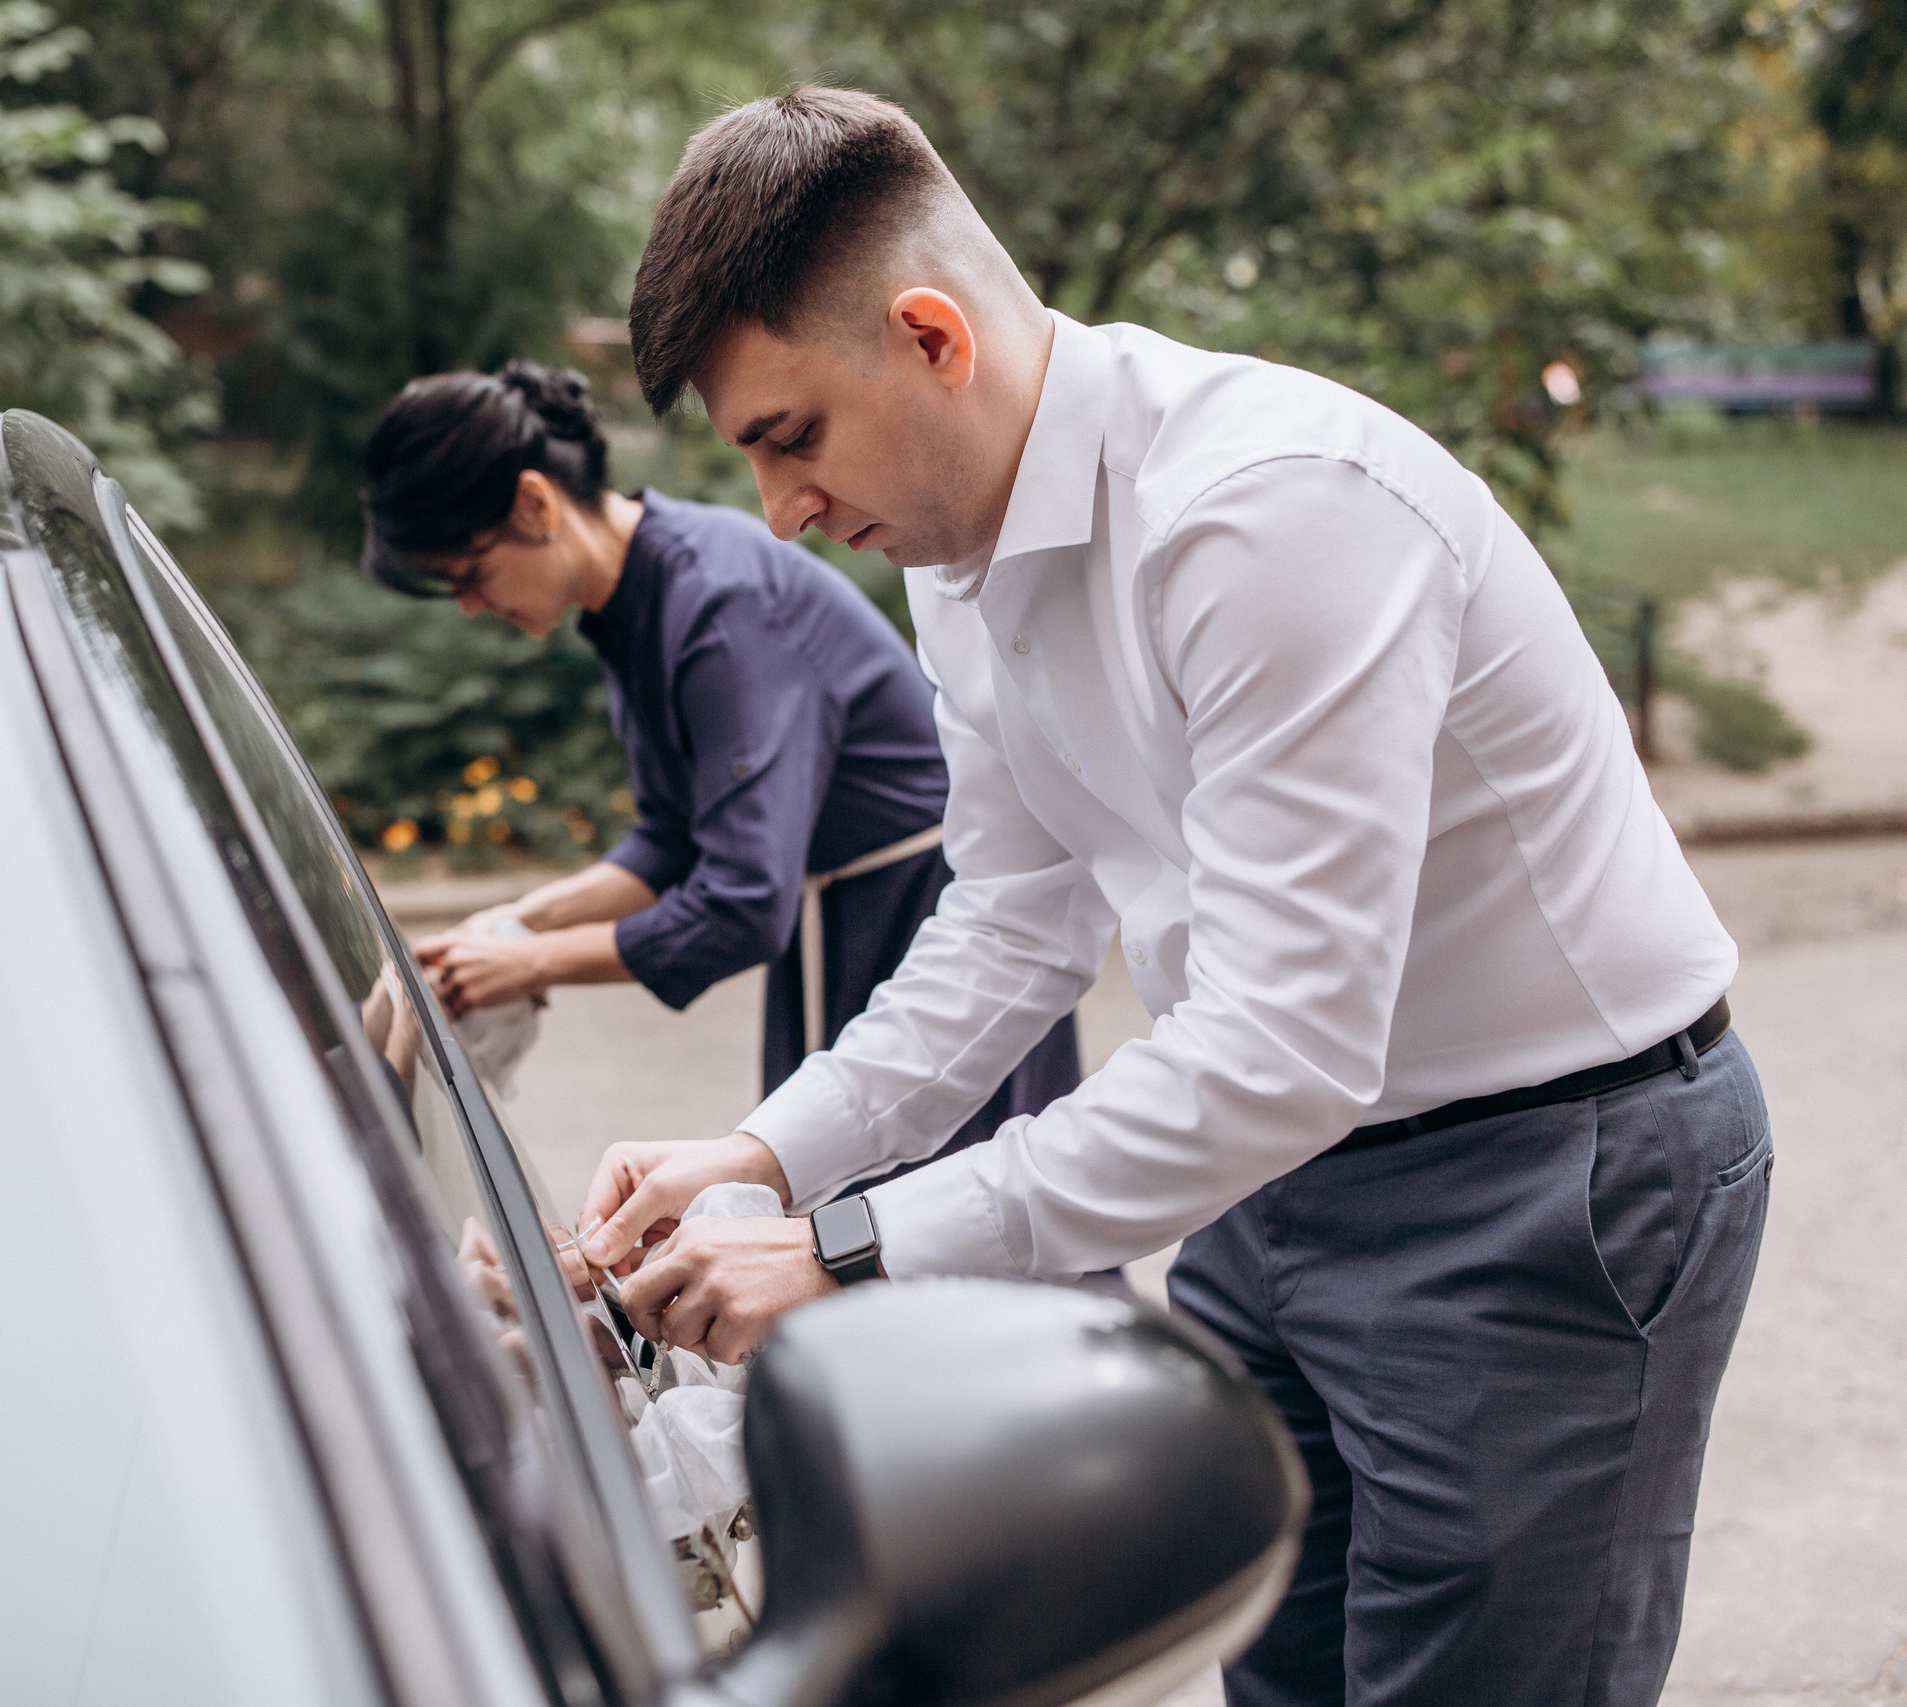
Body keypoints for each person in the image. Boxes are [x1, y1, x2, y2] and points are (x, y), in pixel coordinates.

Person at [574, 87, 1769, 1707]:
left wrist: (847, 1248)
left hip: (1544, 1182)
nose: (780, 510)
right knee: (1272, 1670)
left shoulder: (1270, 513)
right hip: (1263, 1186)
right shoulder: (950, 552)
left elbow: (1284, 1042)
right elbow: (1012, 920)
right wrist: (767, 1152)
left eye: (792, 436)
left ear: (934, 337)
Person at [358, 361, 1080, 1183]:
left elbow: (741, 900)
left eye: (469, 574)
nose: (470, 606)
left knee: (945, 1226)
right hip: (844, 917)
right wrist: (517, 922)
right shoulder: (631, 601)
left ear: (533, 503)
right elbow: (672, 837)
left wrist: (527, 963)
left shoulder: (719, 604)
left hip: (920, 922)